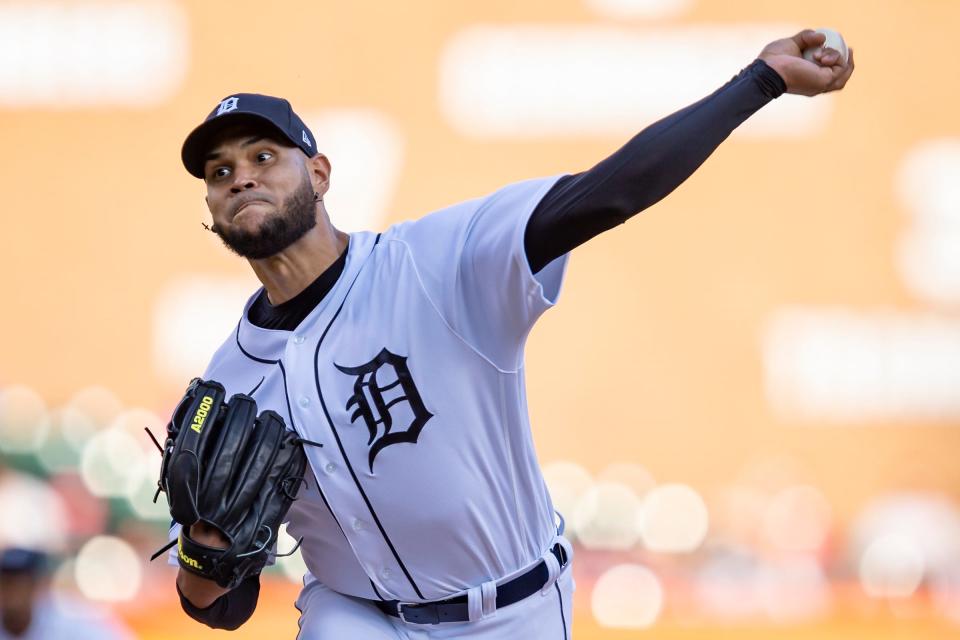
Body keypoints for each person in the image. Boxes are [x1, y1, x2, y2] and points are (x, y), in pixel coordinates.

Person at [169, 30, 854, 638]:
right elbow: (219, 608)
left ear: (318, 175)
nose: (241, 178)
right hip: (351, 615)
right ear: (209, 205)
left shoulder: (435, 264)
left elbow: (608, 193)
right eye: (220, 172)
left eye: (264, 156)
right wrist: (207, 552)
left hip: (511, 611)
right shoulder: (226, 384)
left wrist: (758, 83)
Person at [0, 548, 133, 640]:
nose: (12, 593)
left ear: (36, 586)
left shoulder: (71, 618)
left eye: (19, 583)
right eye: (6, 583)